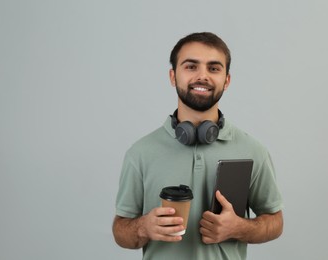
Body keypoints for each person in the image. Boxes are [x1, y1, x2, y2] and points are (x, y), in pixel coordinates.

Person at [113, 32, 283, 260]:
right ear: (173, 76)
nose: (202, 76)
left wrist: (239, 227)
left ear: (227, 80)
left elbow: (275, 221)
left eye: (214, 68)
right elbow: (120, 230)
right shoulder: (140, 153)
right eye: (191, 67)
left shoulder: (254, 151)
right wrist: (143, 227)